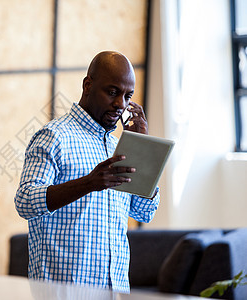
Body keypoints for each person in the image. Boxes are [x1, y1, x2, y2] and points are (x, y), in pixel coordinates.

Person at [14, 51, 160, 293]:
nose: (120, 104)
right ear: (88, 85)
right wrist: (89, 183)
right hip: (63, 293)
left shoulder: (118, 147)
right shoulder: (54, 136)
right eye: (112, 92)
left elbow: (145, 212)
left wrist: (143, 150)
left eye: (128, 96)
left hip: (115, 290)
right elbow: (25, 201)